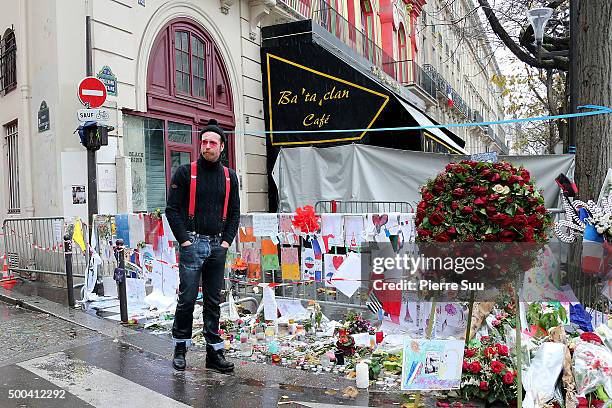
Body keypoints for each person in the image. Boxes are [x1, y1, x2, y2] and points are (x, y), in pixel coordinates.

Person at [165, 119, 240, 373]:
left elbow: (234, 213)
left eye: (212, 142)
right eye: (204, 142)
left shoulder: (230, 177)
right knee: (186, 299)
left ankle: (213, 353)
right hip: (192, 243)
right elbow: (172, 210)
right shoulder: (185, 172)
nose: (206, 146)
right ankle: (180, 348)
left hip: (217, 245)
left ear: (222, 147)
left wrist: (226, 242)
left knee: (212, 301)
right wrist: (185, 240)